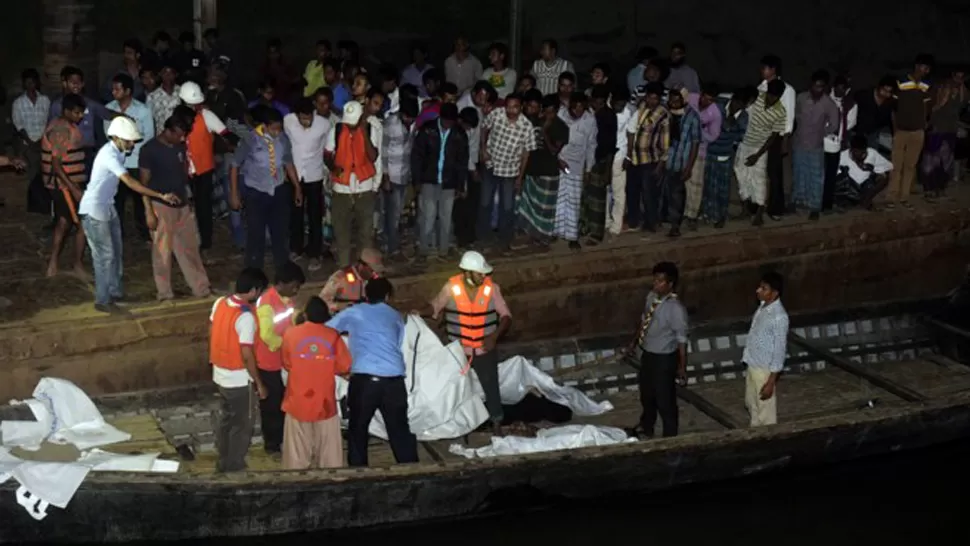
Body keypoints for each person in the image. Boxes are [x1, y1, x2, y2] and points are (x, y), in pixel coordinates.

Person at [78, 117, 181, 314]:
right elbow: (130, 183)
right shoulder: (109, 154)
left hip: (107, 207)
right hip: (94, 211)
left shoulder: (119, 152)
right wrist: (160, 195)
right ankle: (103, 299)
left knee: (116, 251)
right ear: (116, 138)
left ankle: (114, 292)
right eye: (129, 140)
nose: (132, 144)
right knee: (104, 256)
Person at [327, 277, 419, 467]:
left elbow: (326, 330)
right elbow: (398, 343)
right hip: (394, 380)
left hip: (365, 380)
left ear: (365, 295)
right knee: (399, 429)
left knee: (358, 428)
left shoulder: (355, 312)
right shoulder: (395, 316)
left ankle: (359, 473)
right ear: (387, 296)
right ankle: (411, 469)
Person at [424, 251, 512, 433]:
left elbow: (506, 317)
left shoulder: (491, 288)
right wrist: (419, 311)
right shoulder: (451, 287)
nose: (484, 276)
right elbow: (435, 306)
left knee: (491, 387)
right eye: (480, 273)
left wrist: (494, 337)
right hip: (458, 352)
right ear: (468, 272)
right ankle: (453, 425)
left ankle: (496, 423)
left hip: (483, 349)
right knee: (453, 390)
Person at [139, 115, 212, 301]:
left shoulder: (180, 146)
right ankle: (164, 293)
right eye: (179, 135)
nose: (182, 139)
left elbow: (183, 175)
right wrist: (148, 211)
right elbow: (143, 183)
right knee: (162, 252)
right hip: (161, 206)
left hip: (182, 204)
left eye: (184, 135)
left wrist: (189, 200)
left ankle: (201, 287)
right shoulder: (149, 150)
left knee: (190, 248)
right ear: (167, 131)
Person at [281, 296, 352, 469]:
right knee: (329, 453)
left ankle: (297, 482)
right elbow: (345, 366)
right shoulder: (333, 336)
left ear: (305, 314)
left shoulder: (290, 333)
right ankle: (331, 482)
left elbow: (287, 363)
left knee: (296, 453)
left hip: (297, 399)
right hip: (324, 401)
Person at [209, 267, 269, 473]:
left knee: (226, 419)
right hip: (238, 380)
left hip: (219, 373)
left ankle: (223, 459)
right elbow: (246, 354)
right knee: (242, 424)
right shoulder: (245, 317)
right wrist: (259, 383)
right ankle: (234, 465)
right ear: (253, 291)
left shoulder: (220, 303)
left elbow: (212, 329)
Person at [229, 106, 302, 271]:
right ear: (265, 126)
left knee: (280, 232)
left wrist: (297, 187)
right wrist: (234, 193)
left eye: (279, 128)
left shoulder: (283, 139)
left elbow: (288, 162)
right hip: (256, 192)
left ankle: (282, 269)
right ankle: (254, 271)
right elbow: (234, 165)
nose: (277, 132)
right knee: (256, 234)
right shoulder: (250, 139)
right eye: (274, 129)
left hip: (278, 189)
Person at [626, 262, 688, 439]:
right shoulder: (651, 297)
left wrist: (682, 367)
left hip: (664, 359)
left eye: (660, 281)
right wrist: (634, 342)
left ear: (670, 284)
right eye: (655, 279)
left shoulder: (676, 309)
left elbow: (682, 340)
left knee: (665, 399)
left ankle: (670, 436)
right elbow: (644, 321)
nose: (655, 283)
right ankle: (646, 426)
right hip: (649, 354)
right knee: (647, 394)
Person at [179, 81, 236, 256]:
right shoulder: (177, 117)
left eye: (196, 104)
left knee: (203, 206)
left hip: (203, 170)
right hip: (183, 169)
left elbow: (225, 134)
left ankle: (205, 243)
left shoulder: (207, 116)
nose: (194, 107)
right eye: (191, 104)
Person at [254, 260, 305, 457]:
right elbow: (267, 335)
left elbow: (290, 322)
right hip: (269, 362)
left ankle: (285, 440)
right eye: (295, 286)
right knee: (272, 405)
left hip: (283, 361)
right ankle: (272, 445)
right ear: (283, 283)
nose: (297, 291)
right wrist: (287, 345)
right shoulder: (267, 303)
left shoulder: (287, 299)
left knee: (284, 402)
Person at [324, 101, 380, 268]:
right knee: (342, 233)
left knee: (365, 233)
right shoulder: (337, 130)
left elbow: (373, 156)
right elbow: (326, 154)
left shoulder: (371, 130)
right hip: (341, 189)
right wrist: (334, 168)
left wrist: (363, 132)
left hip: (364, 187)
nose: (351, 124)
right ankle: (344, 268)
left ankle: (364, 268)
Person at [411, 102, 469, 263]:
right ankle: (424, 249)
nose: (448, 125)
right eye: (446, 121)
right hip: (428, 180)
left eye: (451, 122)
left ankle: (443, 250)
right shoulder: (427, 130)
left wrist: (460, 184)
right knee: (428, 216)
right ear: (440, 117)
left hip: (449, 182)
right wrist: (417, 180)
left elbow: (462, 162)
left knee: (446, 217)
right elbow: (417, 157)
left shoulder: (459, 134)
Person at [40, 93, 88, 279]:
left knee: (64, 222)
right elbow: (56, 164)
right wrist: (74, 189)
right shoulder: (61, 131)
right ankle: (74, 264)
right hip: (64, 185)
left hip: (65, 184)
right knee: (79, 223)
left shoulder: (62, 125)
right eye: (76, 113)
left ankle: (55, 263)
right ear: (66, 111)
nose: (80, 116)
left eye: (81, 112)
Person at [284, 98, 331, 271]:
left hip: (314, 175)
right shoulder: (288, 122)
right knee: (295, 214)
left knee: (314, 216)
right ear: (296, 116)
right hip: (295, 175)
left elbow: (327, 147)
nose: (307, 121)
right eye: (303, 118)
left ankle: (314, 253)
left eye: (309, 117)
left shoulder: (323, 124)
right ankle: (296, 248)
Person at [734, 80, 787, 226]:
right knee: (741, 174)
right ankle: (745, 208)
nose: (770, 98)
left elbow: (773, 136)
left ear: (780, 96)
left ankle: (759, 214)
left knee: (759, 180)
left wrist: (757, 155)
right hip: (744, 143)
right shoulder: (757, 98)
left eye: (774, 96)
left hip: (760, 148)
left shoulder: (780, 112)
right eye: (769, 94)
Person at [518, 93, 568, 244]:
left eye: (552, 111)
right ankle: (532, 235)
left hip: (548, 172)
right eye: (546, 110)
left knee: (545, 208)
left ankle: (544, 237)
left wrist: (545, 132)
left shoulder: (561, 127)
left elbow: (554, 151)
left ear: (557, 110)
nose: (548, 114)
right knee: (530, 206)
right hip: (532, 169)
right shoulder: (535, 121)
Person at [741, 271, 789, 427]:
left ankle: (769, 443)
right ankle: (755, 435)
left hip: (764, 369)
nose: (758, 291)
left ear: (774, 293)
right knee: (752, 405)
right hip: (753, 365)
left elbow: (779, 350)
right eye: (759, 287)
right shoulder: (762, 307)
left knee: (766, 413)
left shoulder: (779, 317)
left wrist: (771, 381)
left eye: (764, 288)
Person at [319, 247, 385, 315]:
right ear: (362, 266)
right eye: (372, 271)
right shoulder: (340, 277)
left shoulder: (377, 279)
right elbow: (321, 302)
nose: (376, 275)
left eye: (378, 272)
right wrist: (340, 306)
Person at [834, 135, 892, 211]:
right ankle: (847, 202)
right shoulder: (843, 156)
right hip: (849, 187)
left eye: (862, 151)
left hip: (866, 186)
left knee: (883, 178)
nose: (859, 154)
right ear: (851, 149)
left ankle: (866, 201)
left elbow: (889, 166)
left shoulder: (872, 153)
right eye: (856, 151)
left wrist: (872, 168)